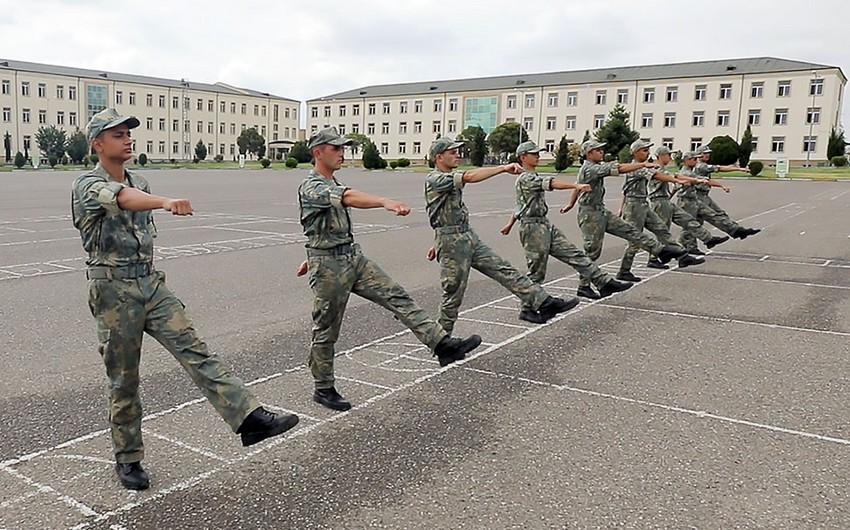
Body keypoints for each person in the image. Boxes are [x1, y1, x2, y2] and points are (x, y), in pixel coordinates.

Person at [71, 108, 299, 491]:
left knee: (196, 350)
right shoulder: (86, 184)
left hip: (150, 285)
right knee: (124, 379)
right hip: (113, 293)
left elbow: (133, 197)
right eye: (118, 135)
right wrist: (163, 201)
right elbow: (122, 199)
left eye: (129, 133)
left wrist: (155, 200)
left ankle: (249, 419)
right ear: (97, 143)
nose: (128, 139)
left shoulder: (139, 179)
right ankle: (128, 458)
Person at [299, 127, 482, 412]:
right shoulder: (312, 185)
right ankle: (323, 388)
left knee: (397, 296)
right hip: (329, 266)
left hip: (351, 257)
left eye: (343, 148)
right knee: (327, 327)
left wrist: (312, 252)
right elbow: (347, 197)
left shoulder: (332, 181)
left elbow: (319, 226)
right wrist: (384, 201)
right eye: (336, 148)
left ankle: (441, 345)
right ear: (318, 152)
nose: (342, 152)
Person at [425, 137, 579, 329]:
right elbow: (470, 177)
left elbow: (443, 213)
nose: (457, 155)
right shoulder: (435, 178)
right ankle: (442, 340)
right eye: (452, 152)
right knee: (453, 292)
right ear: (439, 157)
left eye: (457, 151)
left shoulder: (447, 178)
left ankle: (543, 302)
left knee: (504, 270)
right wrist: (503, 168)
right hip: (451, 242)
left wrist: (437, 240)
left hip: (466, 236)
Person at [499, 141, 633, 301]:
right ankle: (529, 307)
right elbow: (551, 183)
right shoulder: (525, 179)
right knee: (536, 271)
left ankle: (603, 282)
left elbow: (520, 204)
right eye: (534, 154)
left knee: (574, 254)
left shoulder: (531, 176)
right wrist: (575, 186)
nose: (538, 156)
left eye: (537, 153)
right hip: (532, 228)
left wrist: (509, 224)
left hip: (544, 225)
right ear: (523, 157)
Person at [559, 140, 689, 291]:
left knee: (630, 231)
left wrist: (570, 204)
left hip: (601, 211)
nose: (602, 152)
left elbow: (578, 186)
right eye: (598, 150)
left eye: (602, 150)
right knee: (592, 252)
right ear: (589, 154)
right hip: (590, 214)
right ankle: (584, 286)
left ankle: (661, 251)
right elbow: (618, 168)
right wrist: (642, 164)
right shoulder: (589, 168)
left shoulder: (593, 168)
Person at [615, 140, 713, 280]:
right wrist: (676, 181)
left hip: (643, 204)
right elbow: (656, 176)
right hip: (633, 206)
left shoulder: (645, 166)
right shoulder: (635, 167)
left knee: (662, 230)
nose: (648, 153)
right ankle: (624, 271)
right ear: (635, 152)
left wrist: (683, 179)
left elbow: (665, 174)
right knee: (634, 240)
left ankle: (682, 256)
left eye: (648, 150)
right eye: (644, 150)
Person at [644, 146, 730, 269]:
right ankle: (654, 259)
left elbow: (677, 176)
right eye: (668, 155)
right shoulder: (656, 169)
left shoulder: (664, 169)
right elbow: (676, 178)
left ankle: (708, 239)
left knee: (688, 220)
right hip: (659, 202)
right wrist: (689, 180)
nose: (670, 157)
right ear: (661, 156)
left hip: (665, 201)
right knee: (662, 232)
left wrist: (695, 179)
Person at [679, 145, 761, 253]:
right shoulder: (700, 166)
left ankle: (734, 231)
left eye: (708, 153)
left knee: (698, 220)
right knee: (707, 217)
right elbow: (719, 168)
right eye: (704, 153)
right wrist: (735, 171)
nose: (707, 155)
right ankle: (734, 231)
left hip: (700, 196)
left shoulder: (697, 166)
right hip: (698, 197)